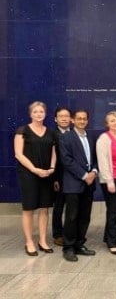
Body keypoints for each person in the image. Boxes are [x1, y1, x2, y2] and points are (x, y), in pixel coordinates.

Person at [14, 101, 57, 256]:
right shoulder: (22, 131)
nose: (39, 114)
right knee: (29, 208)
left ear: (45, 114)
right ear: (30, 114)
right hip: (28, 174)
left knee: (44, 208)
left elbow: (54, 152)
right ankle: (29, 242)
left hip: (46, 174)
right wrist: (34, 169)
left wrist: (51, 168)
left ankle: (43, 241)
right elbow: (18, 154)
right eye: (35, 112)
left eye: (41, 112)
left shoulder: (51, 132)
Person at [60, 109, 98, 262]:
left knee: (84, 216)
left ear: (87, 121)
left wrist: (94, 172)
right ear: (73, 120)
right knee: (71, 216)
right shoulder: (66, 138)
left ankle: (79, 244)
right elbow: (67, 160)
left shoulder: (91, 137)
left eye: (84, 119)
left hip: (89, 184)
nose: (82, 121)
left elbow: (95, 158)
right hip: (73, 184)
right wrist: (84, 175)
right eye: (79, 119)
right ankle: (68, 247)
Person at [96, 111, 116, 255]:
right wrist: (109, 181)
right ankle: (113, 242)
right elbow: (102, 162)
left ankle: (109, 236)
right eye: (112, 121)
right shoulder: (104, 138)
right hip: (111, 180)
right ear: (107, 124)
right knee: (113, 210)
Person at [51, 106, 71, 247]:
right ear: (55, 119)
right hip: (59, 178)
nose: (64, 118)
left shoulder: (75, 133)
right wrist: (55, 179)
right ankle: (57, 234)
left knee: (72, 207)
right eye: (61, 116)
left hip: (74, 177)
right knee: (58, 207)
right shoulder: (52, 135)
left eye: (66, 116)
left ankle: (70, 233)